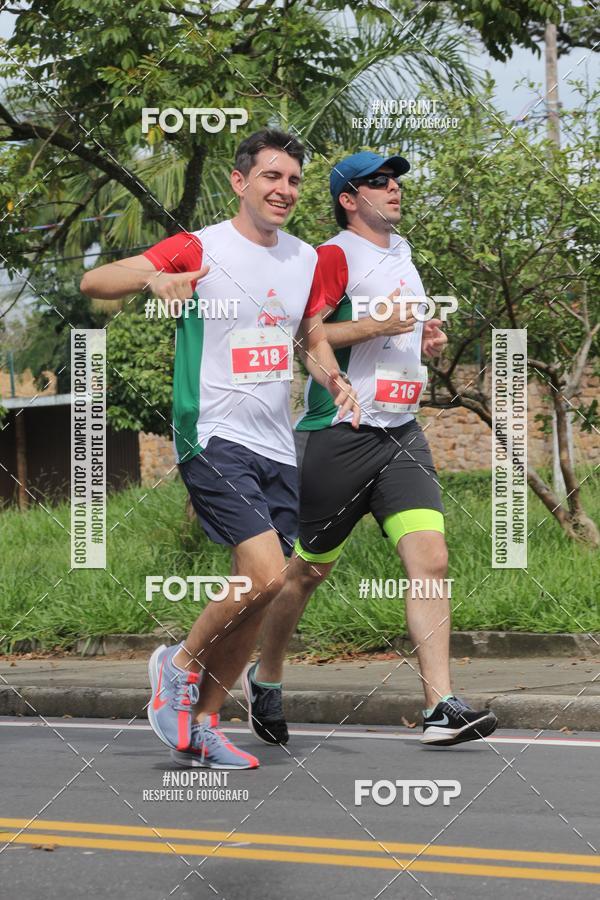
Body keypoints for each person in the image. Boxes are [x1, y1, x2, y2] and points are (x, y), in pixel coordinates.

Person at [80, 129, 359, 769]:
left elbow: (310, 335)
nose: (284, 190)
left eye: (293, 180)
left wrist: (331, 377)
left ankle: (204, 722)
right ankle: (176, 667)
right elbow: (96, 280)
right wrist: (155, 279)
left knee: (262, 591)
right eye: (271, 176)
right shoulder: (200, 246)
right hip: (212, 432)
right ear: (240, 182)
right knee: (266, 573)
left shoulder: (306, 259)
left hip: (276, 444)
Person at [243, 150, 498, 748]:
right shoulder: (335, 256)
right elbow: (304, 334)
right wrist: (376, 327)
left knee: (431, 559)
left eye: (396, 180)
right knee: (304, 574)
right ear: (348, 199)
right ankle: (266, 677)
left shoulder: (402, 254)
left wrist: (425, 339)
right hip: (338, 434)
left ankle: (441, 706)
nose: (394, 188)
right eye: (378, 182)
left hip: (401, 434)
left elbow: (397, 334)